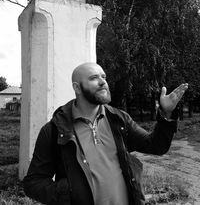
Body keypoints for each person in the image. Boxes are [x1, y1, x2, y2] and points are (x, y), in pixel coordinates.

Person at [23, 62, 188, 205]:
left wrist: (165, 115)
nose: (103, 82)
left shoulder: (119, 119)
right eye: (94, 78)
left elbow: (156, 146)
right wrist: (70, 192)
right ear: (76, 87)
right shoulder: (54, 130)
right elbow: (33, 183)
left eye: (104, 77)